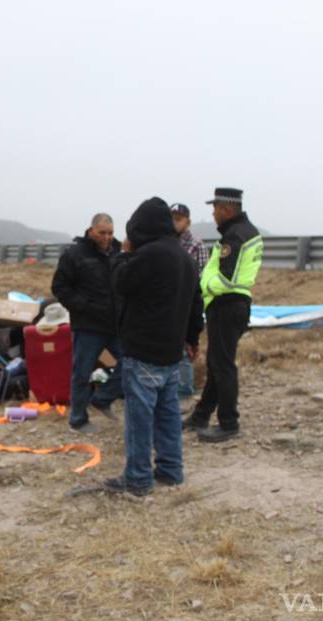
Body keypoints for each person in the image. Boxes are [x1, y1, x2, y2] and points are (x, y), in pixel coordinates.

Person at [105, 197, 203, 496]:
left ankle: (137, 479)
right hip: (171, 353)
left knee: (139, 419)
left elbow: (120, 282)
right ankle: (172, 470)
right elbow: (195, 304)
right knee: (168, 415)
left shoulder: (148, 255)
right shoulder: (184, 256)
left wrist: (122, 254)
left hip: (143, 352)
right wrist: (192, 338)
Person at [185, 187, 263, 443]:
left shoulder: (235, 236)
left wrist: (203, 287)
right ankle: (201, 416)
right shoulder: (239, 232)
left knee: (223, 365)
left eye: (216, 208)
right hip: (228, 305)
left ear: (227, 209)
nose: (213, 213)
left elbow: (227, 278)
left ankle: (229, 422)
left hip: (227, 305)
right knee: (217, 363)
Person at [51, 213, 123, 433]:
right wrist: (84, 306)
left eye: (110, 232)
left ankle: (102, 398)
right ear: (91, 231)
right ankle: (78, 419)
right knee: (81, 372)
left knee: (130, 363)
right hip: (87, 326)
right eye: (102, 232)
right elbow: (60, 287)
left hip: (115, 324)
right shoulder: (74, 254)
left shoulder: (119, 252)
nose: (107, 237)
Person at [170, 203, 209, 399]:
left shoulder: (196, 245)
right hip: (168, 305)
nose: (174, 222)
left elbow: (200, 280)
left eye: (178, 218)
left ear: (188, 221)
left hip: (186, 305)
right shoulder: (166, 242)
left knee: (184, 348)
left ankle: (184, 394)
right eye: (171, 217)